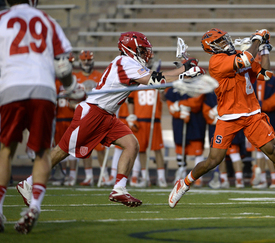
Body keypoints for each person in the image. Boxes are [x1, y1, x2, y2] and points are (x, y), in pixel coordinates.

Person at [16, 31, 201, 208]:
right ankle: (29, 183)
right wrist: (185, 71)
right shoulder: (125, 62)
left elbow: (158, 80)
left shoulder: (128, 62)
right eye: (142, 50)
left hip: (107, 114)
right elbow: (157, 81)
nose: (145, 54)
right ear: (130, 49)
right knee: (62, 151)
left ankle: (119, 189)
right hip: (93, 112)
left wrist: (183, 71)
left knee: (131, 144)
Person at [168, 28, 275, 210]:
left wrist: (265, 49)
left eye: (224, 39)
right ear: (211, 48)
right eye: (220, 41)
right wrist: (257, 40)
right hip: (228, 116)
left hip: (251, 113)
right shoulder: (217, 61)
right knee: (213, 160)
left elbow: (265, 74)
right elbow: (244, 60)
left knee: (273, 150)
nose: (225, 42)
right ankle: (184, 183)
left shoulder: (238, 54)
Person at [0, 0, 85, 234]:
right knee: (42, 152)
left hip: (10, 87)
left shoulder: (2, 20)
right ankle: (34, 205)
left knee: (6, 150)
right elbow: (63, 67)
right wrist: (73, 88)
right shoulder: (47, 21)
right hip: (43, 88)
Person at [74, 50, 109, 186]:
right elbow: (70, 97)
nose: (86, 63)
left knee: (100, 147)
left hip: (96, 114)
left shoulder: (99, 76)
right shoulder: (75, 77)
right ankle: (89, 176)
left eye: (88, 60)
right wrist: (74, 104)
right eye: (84, 60)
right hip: (82, 115)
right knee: (84, 147)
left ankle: (104, 175)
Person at [251, 53, 275, 189]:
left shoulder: (274, 81)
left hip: (269, 116)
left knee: (270, 148)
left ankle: (274, 179)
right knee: (259, 150)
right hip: (254, 117)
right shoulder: (250, 79)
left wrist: (259, 105)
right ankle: (263, 179)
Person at [203, 92, 246, 189]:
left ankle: (239, 180)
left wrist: (219, 111)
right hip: (218, 127)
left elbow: (237, 105)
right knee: (219, 155)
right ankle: (223, 179)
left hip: (231, 124)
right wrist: (214, 118)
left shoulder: (230, 89)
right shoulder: (210, 94)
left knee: (234, 154)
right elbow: (206, 112)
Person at [127, 88, 168, 187]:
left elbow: (164, 99)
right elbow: (130, 100)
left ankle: (161, 178)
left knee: (157, 149)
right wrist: (131, 115)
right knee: (141, 150)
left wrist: (161, 91)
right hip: (140, 119)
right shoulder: (136, 81)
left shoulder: (156, 81)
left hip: (154, 119)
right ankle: (146, 178)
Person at [53, 52, 79, 187]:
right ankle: (61, 174)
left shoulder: (75, 81)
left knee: (73, 148)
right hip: (59, 119)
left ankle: (72, 176)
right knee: (59, 148)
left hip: (72, 118)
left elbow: (81, 100)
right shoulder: (57, 83)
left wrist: (74, 105)